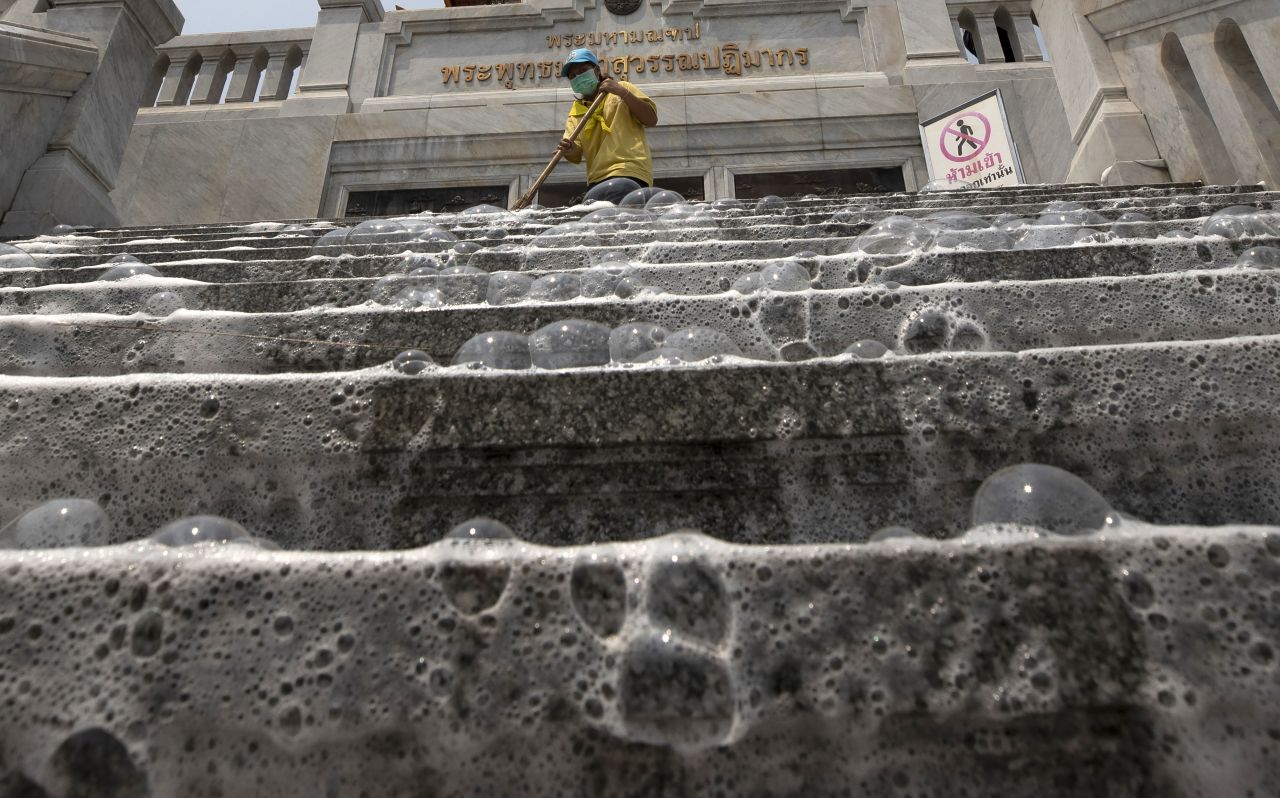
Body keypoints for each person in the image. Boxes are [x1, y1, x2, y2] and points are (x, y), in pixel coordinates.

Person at [556, 49, 658, 204]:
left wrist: (621, 92)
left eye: (583, 71)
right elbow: (575, 152)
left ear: (596, 70)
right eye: (573, 76)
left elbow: (650, 119)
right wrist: (569, 149)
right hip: (596, 181)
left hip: (629, 171)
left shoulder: (622, 88)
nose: (578, 78)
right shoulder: (576, 110)